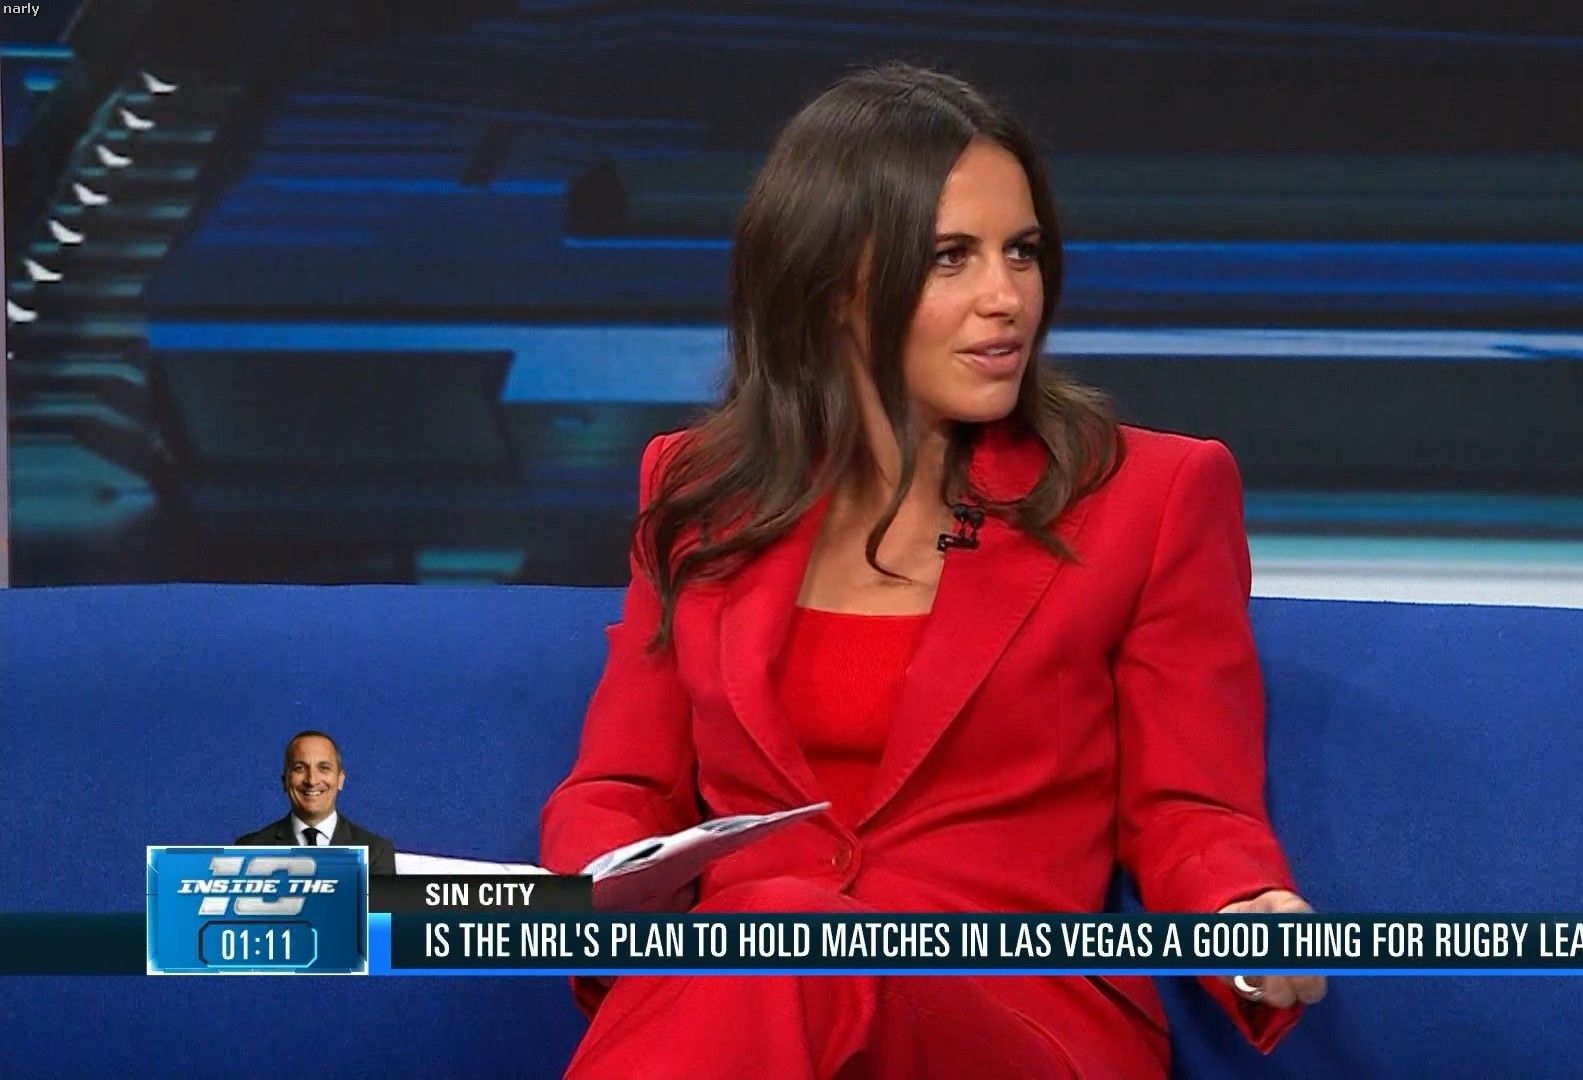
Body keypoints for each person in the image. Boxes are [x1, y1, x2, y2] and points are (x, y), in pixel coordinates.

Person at [540, 62, 1324, 1079]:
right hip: (760, 1011)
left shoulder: (1150, 494)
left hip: (1015, 1015)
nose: (1008, 298)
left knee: (783, 941)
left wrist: (1244, 913)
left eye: (1022, 252)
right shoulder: (698, 491)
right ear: (831, 285)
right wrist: (598, 887)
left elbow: (1191, 808)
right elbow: (620, 785)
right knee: (777, 939)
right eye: (952, 258)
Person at [236, 729, 396, 876]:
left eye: (324, 768)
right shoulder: (249, 849)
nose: (312, 780)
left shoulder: (376, 852)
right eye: (300, 768)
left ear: (340, 780)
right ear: (285, 781)